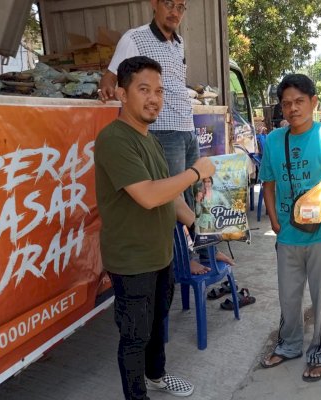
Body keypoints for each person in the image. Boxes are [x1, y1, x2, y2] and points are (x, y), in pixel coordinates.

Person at [95, 56, 217, 399]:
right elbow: (148, 196)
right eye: (144, 89)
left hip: (160, 255)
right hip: (132, 261)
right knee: (134, 336)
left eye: (159, 91)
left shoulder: (150, 139)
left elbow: (169, 196)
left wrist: (203, 228)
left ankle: (157, 377)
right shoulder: (115, 139)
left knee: (156, 323)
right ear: (122, 94)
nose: (154, 98)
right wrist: (195, 172)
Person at [98, 0, 233, 273]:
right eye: (169, 4)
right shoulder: (134, 38)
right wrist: (109, 92)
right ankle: (185, 260)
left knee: (200, 192)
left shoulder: (178, 43)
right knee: (172, 195)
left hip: (186, 129)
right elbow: (110, 78)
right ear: (154, 4)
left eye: (181, 7)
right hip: (161, 131)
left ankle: (209, 249)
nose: (175, 12)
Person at [258, 74, 321, 382]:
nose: (293, 108)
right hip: (288, 234)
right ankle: (290, 345)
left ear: (314, 102)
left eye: (299, 101)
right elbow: (268, 184)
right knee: (288, 296)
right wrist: (274, 221)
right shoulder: (273, 140)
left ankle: (319, 352)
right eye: (286, 103)